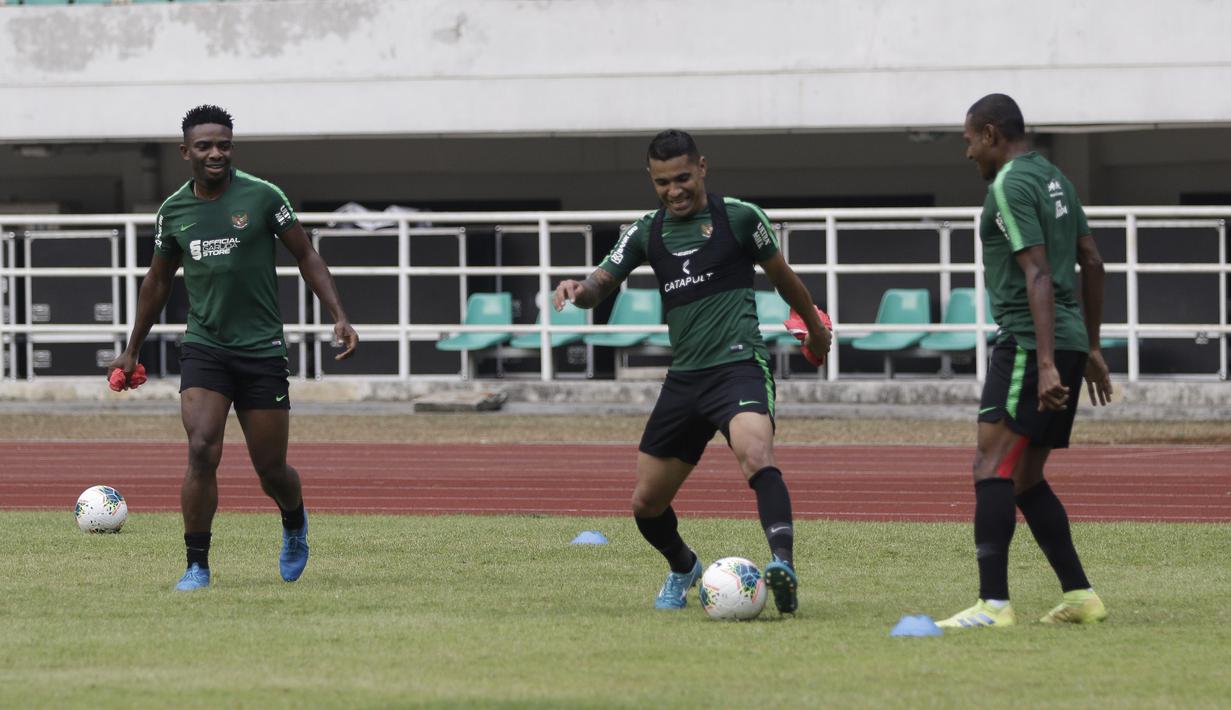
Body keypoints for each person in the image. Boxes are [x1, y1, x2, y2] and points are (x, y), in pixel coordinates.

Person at [553, 129, 831, 614]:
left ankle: (782, 564)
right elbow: (601, 283)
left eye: (682, 177)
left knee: (756, 453)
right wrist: (578, 290)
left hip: (739, 366)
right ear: (651, 180)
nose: (674, 190)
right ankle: (683, 566)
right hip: (685, 379)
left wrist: (815, 328)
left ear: (702, 167)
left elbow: (785, 280)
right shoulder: (645, 231)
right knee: (646, 504)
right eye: (662, 182)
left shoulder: (740, 218)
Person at [108, 105, 359, 591]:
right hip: (205, 347)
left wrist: (339, 316)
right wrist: (131, 348)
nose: (216, 152)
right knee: (201, 448)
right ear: (186, 152)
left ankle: (293, 521)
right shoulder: (174, 211)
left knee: (271, 469)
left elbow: (307, 256)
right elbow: (157, 282)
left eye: (224, 143)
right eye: (204, 145)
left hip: (262, 350)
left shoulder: (263, 196)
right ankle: (197, 565)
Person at [937, 94, 1114, 628]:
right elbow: (1093, 262)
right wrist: (1090, 348)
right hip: (1064, 340)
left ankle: (993, 605)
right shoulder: (1055, 178)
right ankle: (1081, 596)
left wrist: (1045, 363)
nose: (967, 152)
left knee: (990, 465)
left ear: (990, 134)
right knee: (1025, 477)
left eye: (969, 139)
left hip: (1027, 342)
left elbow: (1038, 274)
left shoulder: (1009, 184)